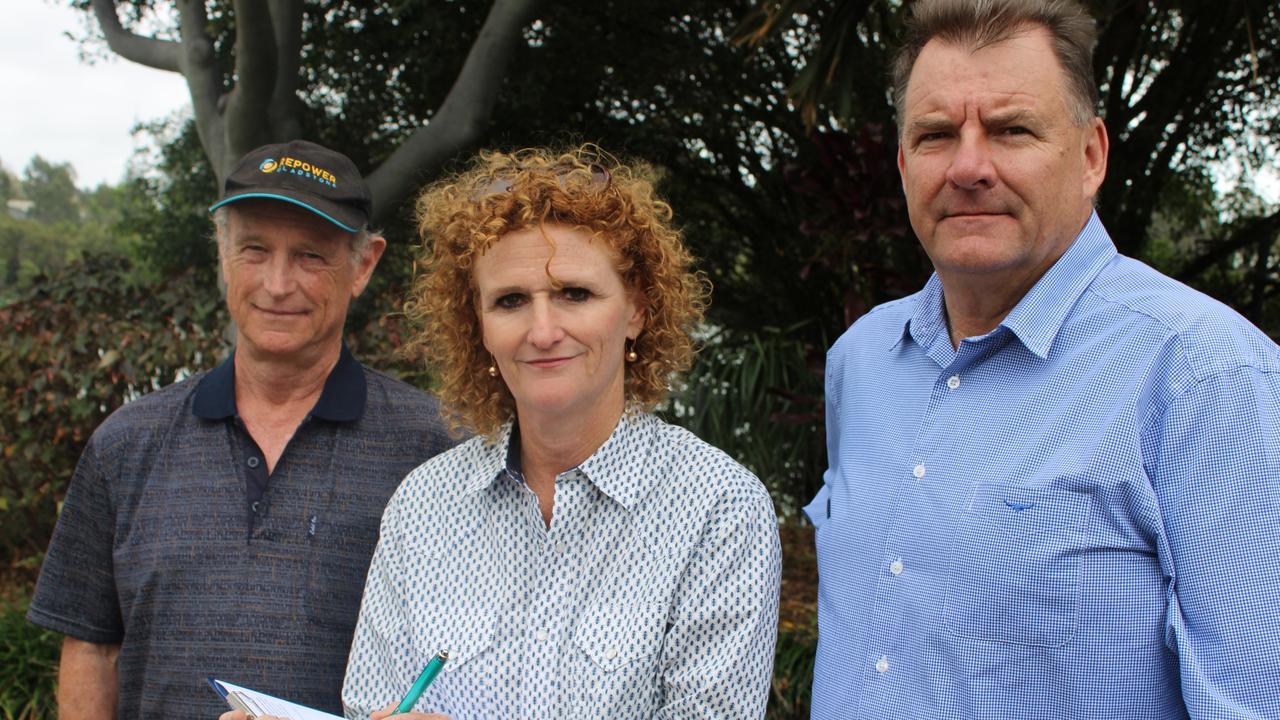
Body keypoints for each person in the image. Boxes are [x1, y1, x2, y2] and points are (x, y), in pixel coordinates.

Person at [808, 0, 1280, 717]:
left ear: (1091, 155)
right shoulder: (862, 363)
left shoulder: (1204, 375)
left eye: (1011, 130)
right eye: (936, 135)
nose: (969, 167)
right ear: (904, 165)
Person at [340, 145, 782, 719]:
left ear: (638, 309)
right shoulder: (423, 505)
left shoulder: (718, 510)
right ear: (479, 326)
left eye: (575, 293)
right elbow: (368, 709)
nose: (543, 331)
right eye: (511, 301)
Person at [27, 139, 456, 719]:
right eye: (255, 249)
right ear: (223, 255)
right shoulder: (126, 442)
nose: (278, 284)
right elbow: (91, 648)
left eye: (310, 256)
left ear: (364, 265)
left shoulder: (436, 447)